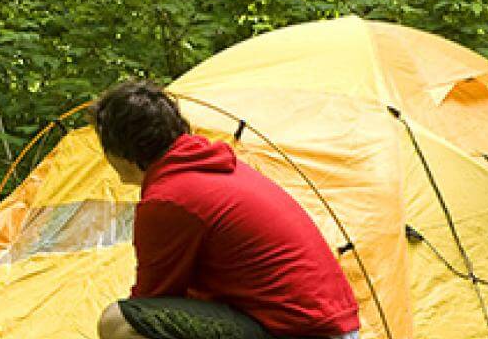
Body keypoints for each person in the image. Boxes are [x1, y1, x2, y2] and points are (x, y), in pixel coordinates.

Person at [90, 81, 360, 339]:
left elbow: (151, 302)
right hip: (330, 325)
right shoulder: (210, 167)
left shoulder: (168, 198)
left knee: (119, 323)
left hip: (303, 332)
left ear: (121, 151)